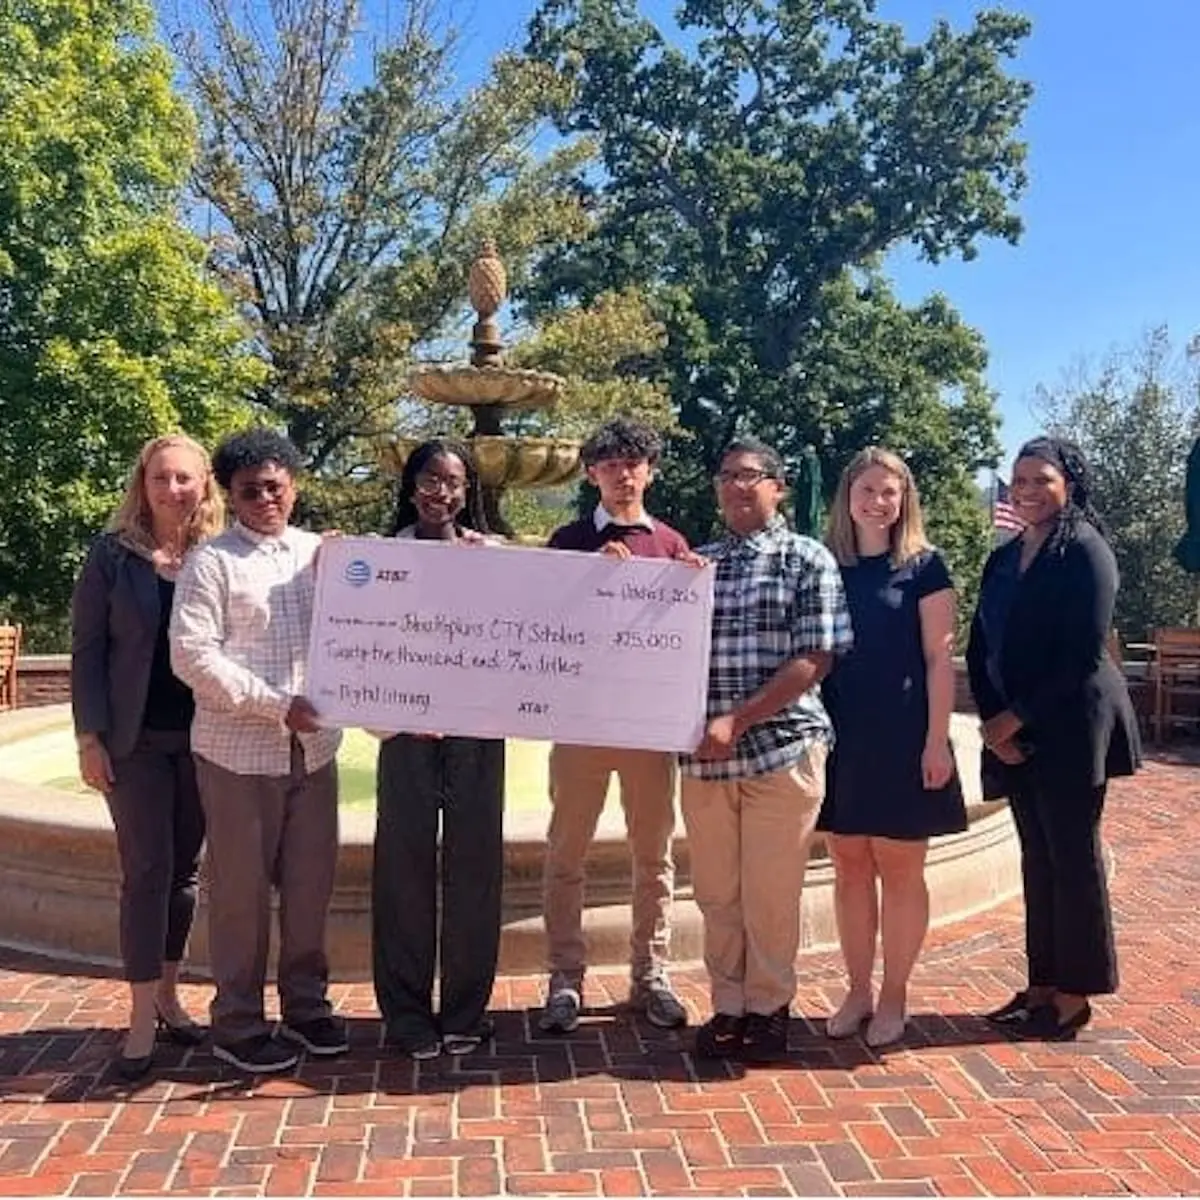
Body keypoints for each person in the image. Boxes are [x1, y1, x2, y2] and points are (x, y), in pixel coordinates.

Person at [170, 429, 348, 1074]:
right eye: (251, 490)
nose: (266, 498)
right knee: (241, 895)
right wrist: (276, 705)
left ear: (293, 485)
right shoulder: (210, 563)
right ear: (231, 494)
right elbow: (192, 655)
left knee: (309, 889)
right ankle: (238, 1020)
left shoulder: (322, 554)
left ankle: (306, 1007)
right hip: (238, 753)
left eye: (276, 486)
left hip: (315, 752)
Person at [682, 437, 852, 1063]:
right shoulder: (695, 566)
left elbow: (817, 658)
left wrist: (738, 720)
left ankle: (770, 1008)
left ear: (778, 487)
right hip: (704, 758)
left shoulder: (806, 560)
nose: (735, 486)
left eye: (749, 475)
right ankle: (729, 1006)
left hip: (782, 751)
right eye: (725, 475)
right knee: (716, 891)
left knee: (770, 892)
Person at [966, 436, 1140, 1041]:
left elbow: (1081, 656)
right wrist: (993, 723)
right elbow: (980, 642)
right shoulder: (1004, 558)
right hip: (1013, 732)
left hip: (1071, 727)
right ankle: (1040, 984)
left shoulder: (1087, 553)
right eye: (1020, 480)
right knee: (1036, 860)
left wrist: (1014, 718)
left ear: (1069, 484)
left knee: (1073, 858)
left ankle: (1074, 995)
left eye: (1042, 479)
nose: (1029, 490)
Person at [71, 434, 223, 1080]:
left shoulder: (218, 555)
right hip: (133, 743)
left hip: (205, 738)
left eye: (185, 478)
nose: (173, 490)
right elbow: (87, 651)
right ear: (143, 485)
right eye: (161, 479)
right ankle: (138, 1016)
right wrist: (89, 737)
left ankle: (168, 994)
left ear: (204, 485)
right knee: (146, 872)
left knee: (185, 872)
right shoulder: (112, 557)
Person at [539, 417, 694, 1035]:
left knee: (653, 856)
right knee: (565, 853)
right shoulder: (567, 540)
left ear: (649, 472)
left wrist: (693, 585)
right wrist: (587, 582)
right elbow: (540, 624)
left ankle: (650, 974)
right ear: (591, 473)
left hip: (648, 724)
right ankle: (564, 977)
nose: (624, 474)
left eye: (634, 463)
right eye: (611, 464)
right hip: (580, 720)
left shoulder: (674, 546)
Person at [818, 447, 967, 1048]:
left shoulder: (925, 567)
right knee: (850, 867)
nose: (878, 502)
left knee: (902, 871)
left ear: (905, 500)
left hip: (905, 735)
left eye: (890, 492)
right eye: (867, 491)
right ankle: (857, 990)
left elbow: (939, 659)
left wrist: (937, 742)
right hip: (839, 737)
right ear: (847, 498)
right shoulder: (826, 564)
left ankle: (895, 994)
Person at [372, 439, 506, 1060]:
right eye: (429, 479)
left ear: (467, 491)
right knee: (402, 869)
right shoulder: (377, 559)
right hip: (404, 736)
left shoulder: (492, 558)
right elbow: (358, 642)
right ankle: (404, 1014)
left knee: (475, 870)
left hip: (476, 734)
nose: (441, 492)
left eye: (453, 482)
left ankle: (464, 1013)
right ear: (411, 484)